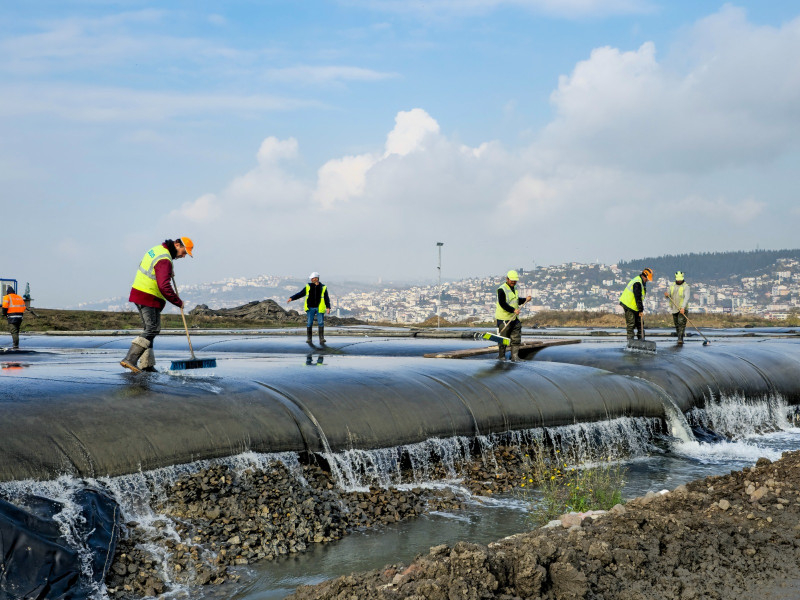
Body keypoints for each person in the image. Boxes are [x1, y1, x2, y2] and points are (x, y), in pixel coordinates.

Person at [120, 237, 193, 373]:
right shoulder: (165, 260)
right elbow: (164, 286)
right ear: (177, 245)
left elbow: (150, 268)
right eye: (184, 252)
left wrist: (165, 272)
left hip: (140, 293)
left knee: (150, 329)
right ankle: (130, 359)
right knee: (152, 329)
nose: (184, 256)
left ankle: (146, 364)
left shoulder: (157, 250)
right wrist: (178, 301)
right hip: (148, 296)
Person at [495, 270, 531, 361]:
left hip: (515, 318)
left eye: (515, 280)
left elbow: (516, 300)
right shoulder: (501, 289)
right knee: (503, 339)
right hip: (504, 318)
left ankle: (515, 357)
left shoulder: (514, 288)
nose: (513, 282)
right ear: (507, 279)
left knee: (516, 338)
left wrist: (525, 300)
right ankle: (501, 357)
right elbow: (502, 303)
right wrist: (513, 310)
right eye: (512, 280)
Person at [288, 272, 331, 344]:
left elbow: (326, 298)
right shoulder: (308, 286)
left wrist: (328, 307)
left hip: (319, 307)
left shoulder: (323, 287)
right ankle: (309, 338)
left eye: (313, 278)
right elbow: (300, 294)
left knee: (320, 323)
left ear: (316, 278)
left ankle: (321, 338)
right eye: (311, 279)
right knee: (309, 323)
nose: (311, 280)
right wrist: (292, 298)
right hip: (310, 308)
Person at [619, 268, 653, 341]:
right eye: (647, 278)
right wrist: (641, 309)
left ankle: (641, 340)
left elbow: (640, 298)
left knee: (640, 324)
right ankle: (630, 341)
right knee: (631, 324)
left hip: (635, 306)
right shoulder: (637, 282)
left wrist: (639, 309)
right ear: (644, 276)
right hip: (629, 305)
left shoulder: (642, 282)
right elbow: (637, 297)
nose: (647, 280)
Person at [665, 271, 690, 345]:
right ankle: (679, 336)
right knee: (676, 324)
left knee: (681, 323)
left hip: (682, 308)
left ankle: (680, 338)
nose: (679, 281)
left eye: (680, 279)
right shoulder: (672, 286)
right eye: (678, 279)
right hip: (674, 308)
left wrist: (683, 307)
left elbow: (686, 298)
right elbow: (668, 295)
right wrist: (666, 295)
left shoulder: (686, 287)